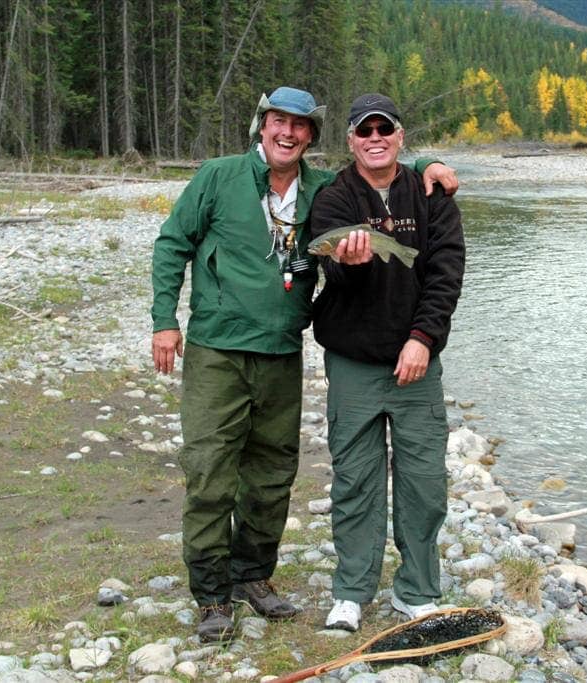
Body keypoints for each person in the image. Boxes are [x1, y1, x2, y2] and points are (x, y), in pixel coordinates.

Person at [150, 86, 457, 643]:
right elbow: (173, 243)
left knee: (272, 474)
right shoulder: (220, 177)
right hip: (219, 347)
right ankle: (212, 593)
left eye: (298, 125)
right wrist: (163, 320)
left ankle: (253, 577)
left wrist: (424, 163)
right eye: (277, 122)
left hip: (282, 350)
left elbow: (383, 172)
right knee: (211, 471)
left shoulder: (321, 187)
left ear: (311, 136)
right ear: (261, 126)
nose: (286, 133)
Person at [309, 93, 465, 632]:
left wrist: (423, 337)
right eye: (364, 131)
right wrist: (348, 264)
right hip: (353, 362)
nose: (375, 138)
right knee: (355, 479)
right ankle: (351, 590)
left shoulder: (432, 192)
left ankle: (417, 590)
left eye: (385, 129)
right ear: (350, 140)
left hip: (417, 363)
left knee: (424, 481)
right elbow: (335, 278)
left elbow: (446, 272)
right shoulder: (334, 197)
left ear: (401, 136)